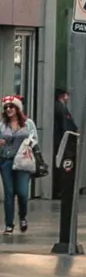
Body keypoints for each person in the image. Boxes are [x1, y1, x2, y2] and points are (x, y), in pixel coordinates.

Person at [0, 98, 37, 235]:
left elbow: (35, 139)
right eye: (6, 107)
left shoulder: (28, 123)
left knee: (22, 193)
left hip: (22, 161)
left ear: (17, 108)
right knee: (9, 193)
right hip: (6, 161)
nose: (9, 109)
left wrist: (29, 143)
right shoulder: (2, 125)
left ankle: (23, 217)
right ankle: (9, 225)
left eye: (11, 106)